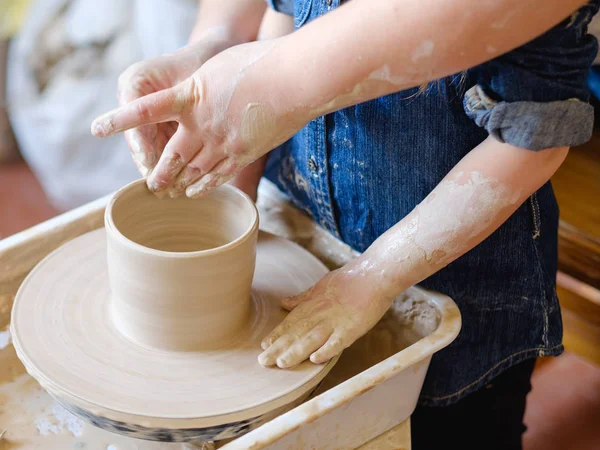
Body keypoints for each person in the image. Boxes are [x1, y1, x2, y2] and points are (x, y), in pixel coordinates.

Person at [91, 1, 599, 448]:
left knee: (452, 428)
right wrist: (229, 181)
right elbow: (282, 21)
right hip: (310, 230)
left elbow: (534, 136)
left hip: (460, 287)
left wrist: (375, 274)